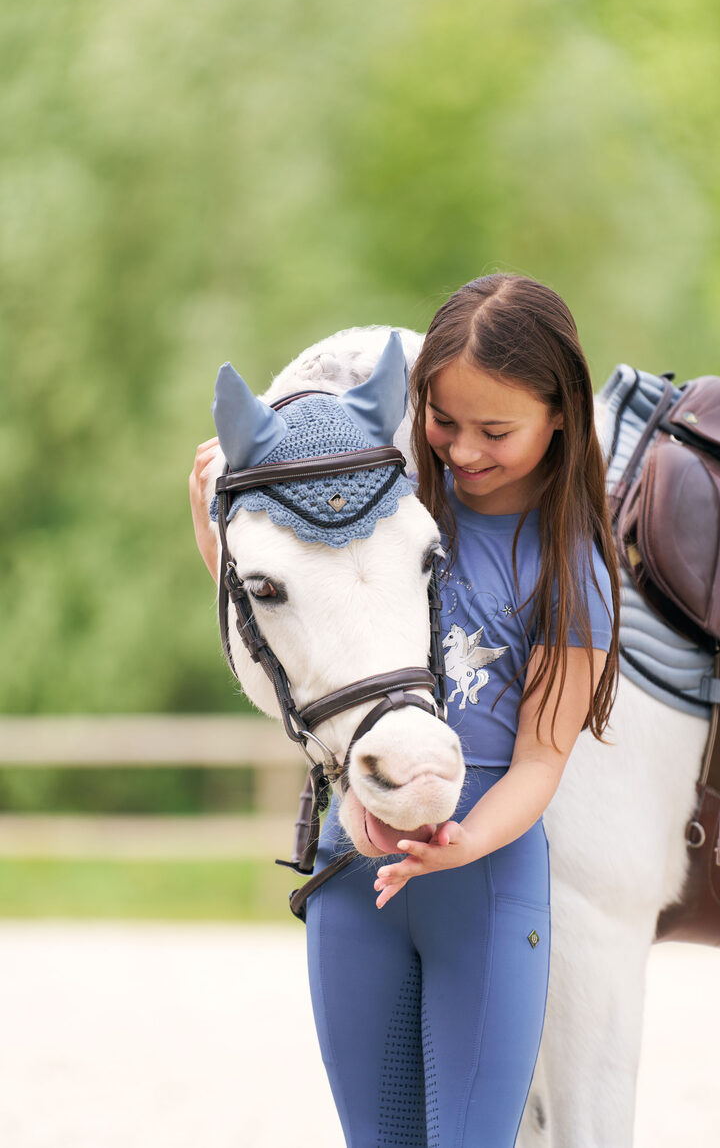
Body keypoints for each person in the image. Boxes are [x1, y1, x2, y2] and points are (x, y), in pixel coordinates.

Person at [189, 273, 619, 1148]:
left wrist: (462, 842)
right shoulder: (386, 512)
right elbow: (288, 624)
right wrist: (212, 518)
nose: (462, 450)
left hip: (484, 878)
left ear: (561, 416)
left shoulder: (573, 570)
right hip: (356, 873)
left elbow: (539, 761)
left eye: (496, 431)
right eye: (443, 422)